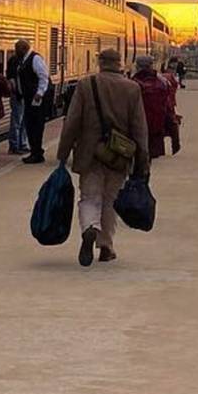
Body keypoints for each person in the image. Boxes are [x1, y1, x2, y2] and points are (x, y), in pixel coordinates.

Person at [56, 49, 149, 266]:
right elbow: (139, 128)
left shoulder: (86, 85)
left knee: (89, 197)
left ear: (100, 63)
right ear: (119, 63)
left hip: (90, 153)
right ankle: (106, 246)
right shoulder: (132, 88)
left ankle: (90, 228)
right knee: (110, 200)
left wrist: (63, 153)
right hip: (119, 155)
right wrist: (143, 159)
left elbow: (72, 122)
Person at [14, 39, 52, 164]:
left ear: (23, 49)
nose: (15, 52)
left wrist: (39, 93)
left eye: (17, 49)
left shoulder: (35, 59)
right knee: (30, 125)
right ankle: (35, 152)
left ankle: (37, 153)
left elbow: (43, 76)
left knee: (35, 125)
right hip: (29, 98)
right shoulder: (24, 60)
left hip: (36, 99)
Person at [131, 56, 175, 159]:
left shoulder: (132, 83)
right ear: (151, 66)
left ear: (137, 67)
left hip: (138, 128)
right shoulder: (162, 83)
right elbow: (168, 107)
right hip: (156, 129)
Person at [5, 46, 30, 155]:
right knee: (17, 121)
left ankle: (21, 144)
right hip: (18, 95)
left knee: (22, 121)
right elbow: (11, 77)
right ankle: (15, 145)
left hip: (23, 95)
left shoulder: (17, 60)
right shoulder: (16, 62)